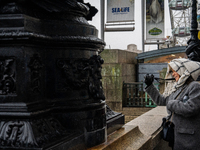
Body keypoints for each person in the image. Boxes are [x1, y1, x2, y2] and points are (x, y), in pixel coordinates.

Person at [144, 58, 200, 150]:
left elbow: (191, 108)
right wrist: (150, 85)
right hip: (177, 137)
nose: (173, 74)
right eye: (172, 72)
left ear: (183, 70)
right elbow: (162, 101)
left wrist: (172, 104)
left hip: (189, 140)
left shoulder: (194, 86)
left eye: (175, 71)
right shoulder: (177, 88)